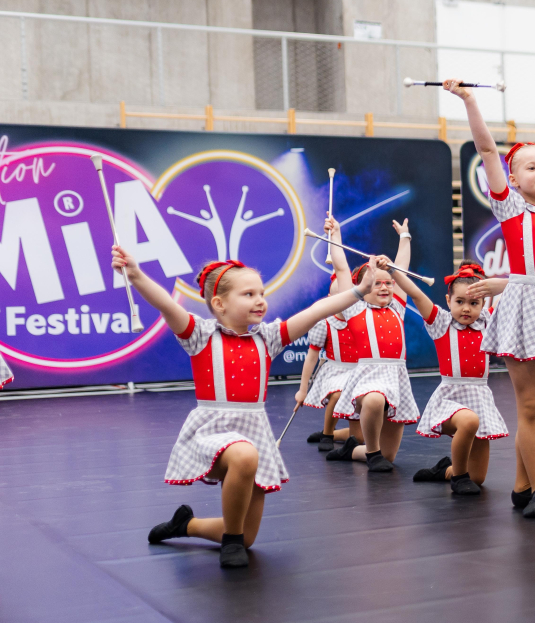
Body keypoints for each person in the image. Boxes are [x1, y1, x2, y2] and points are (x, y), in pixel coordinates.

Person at [120, 247, 377, 567]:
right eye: (249, 294)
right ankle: (230, 541)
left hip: (253, 431)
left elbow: (317, 311)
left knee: (247, 537)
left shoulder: (267, 339)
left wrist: (360, 290)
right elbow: (166, 304)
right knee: (243, 456)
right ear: (219, 304)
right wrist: (135, 274)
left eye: (262, 293)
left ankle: (186, 525)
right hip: (213, 432)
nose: (260, 300)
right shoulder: (200, 335)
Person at [448, 80, 535, 519]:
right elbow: (486, 149)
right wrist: (470, 100)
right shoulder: (512, 210)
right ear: (513, 179)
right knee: (530, 405)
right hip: (524, 312)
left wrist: (505, 284)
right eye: (530, 166)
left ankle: (522, 486)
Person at [401, 261, 509, 495]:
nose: (466, 309)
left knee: (477, 478)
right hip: (450, 397)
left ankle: (446, 470)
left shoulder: (488, 321)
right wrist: (392, 271)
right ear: (448, 300)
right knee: (469, 421)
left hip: (480, 397)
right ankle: (459, 477)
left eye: (474, 303)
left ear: (483, 303)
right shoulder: (441, 323)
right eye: (460, 302)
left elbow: (514, 290)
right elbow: (416, 294)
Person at [326, 222, 419, 472]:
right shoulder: (354, 308)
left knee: (388, 456)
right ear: (364, 287)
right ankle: (373, 451)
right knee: (376, 399)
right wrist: (336, 235)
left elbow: (402, 268)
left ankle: (354, 451)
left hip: (396, 378)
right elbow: (342, 268)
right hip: (369, 376)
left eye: (388, 283)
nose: (385, 287)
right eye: (377, 283)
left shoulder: (398, 307)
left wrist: (405, 237)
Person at [300, 220, 363, 453]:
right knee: (338, 394)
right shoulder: (325, 323)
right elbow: (311, 356)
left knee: (361, 436)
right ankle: (327, 432)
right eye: (338, 299)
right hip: (336, 371)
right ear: (330, 299)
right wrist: (302, 388)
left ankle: (335, 434)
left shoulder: (362, 318)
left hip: (358, 371)